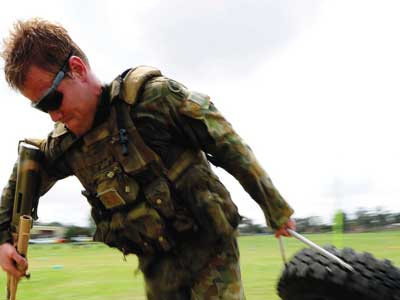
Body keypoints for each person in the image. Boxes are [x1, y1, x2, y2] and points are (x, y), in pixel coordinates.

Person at [0, 18, 295, 300]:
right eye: (42, 108)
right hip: (157, 263)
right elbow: (30, 167)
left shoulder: (153, 100)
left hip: (209, 248)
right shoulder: (67, 144)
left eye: (53, 99)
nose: (53, 115)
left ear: (76, 68)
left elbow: (227, 144)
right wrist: (3, 241)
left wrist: (275, 209)